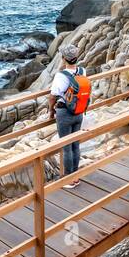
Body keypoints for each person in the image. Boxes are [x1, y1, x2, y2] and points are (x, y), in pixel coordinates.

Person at [48, 43, 91, 183]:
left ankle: (68, 179)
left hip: (65, 113)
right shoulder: (82, 71)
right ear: (76, 57)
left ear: (64, 58)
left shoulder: (61, 75)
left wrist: (50, 112)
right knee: (75, 145)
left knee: (66, 147)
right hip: (78, 111)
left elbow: (53, 95)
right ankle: (75, 176)